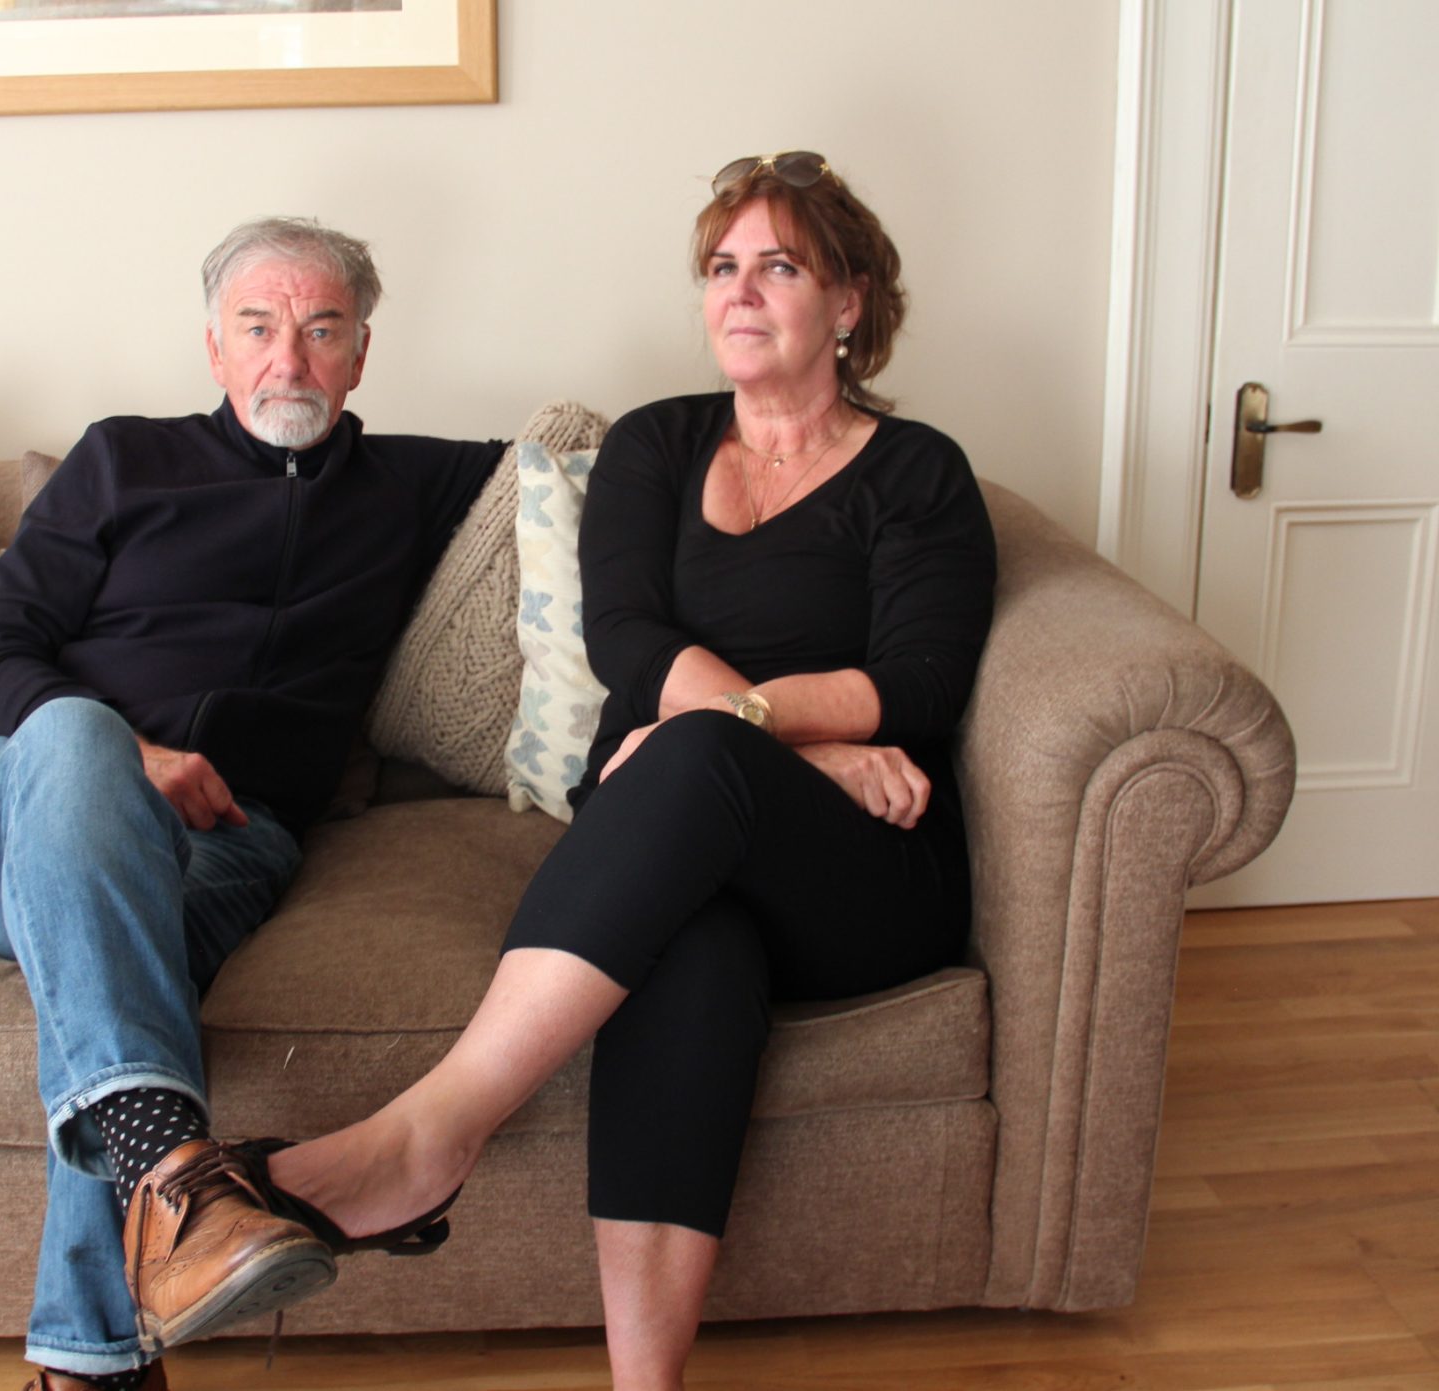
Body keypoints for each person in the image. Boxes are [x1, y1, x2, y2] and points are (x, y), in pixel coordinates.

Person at [208, 153, 998, 1390]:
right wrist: (811, 742)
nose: (739, 292)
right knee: (691, 950)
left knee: (693, 756)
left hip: (863, 871)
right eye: (722, 267)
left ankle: (431, 1132)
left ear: (849, 304)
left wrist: (736, 731)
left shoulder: (918, 473)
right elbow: (625, 639)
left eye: (778, 266)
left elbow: (921, 683)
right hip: (690, 831)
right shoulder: (658, 443)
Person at [0, 216, 503, 1391]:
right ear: (213, 348)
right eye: (258, 326)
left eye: (320, 328)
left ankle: (96, 1352)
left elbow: (608, 470)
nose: (287, 359)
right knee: (80, 734)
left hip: (229, 845)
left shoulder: (416, 482)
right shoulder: (121, 458)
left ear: (360, 355)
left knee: (122, 975)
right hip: (31, 807)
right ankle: (175, 1184)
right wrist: (126, 752)